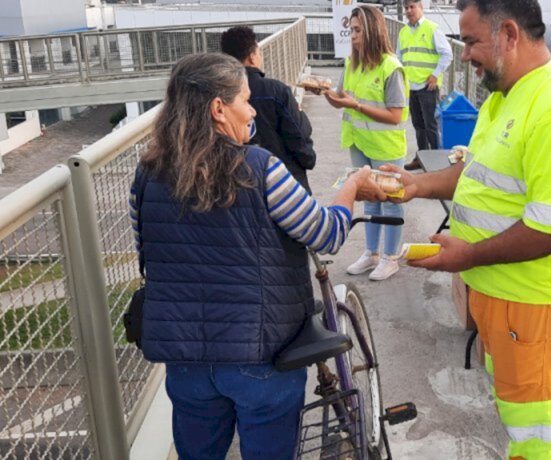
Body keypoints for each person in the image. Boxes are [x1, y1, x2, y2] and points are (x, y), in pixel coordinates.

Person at [380, 0, 551, 458]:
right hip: (507, 297)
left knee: (543, 438)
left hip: (540, 304)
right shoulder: (507, 94)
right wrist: (416, 185)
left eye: (470, 41)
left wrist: (466, 256)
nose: (464, 55)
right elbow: (474, 171)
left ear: (508, 34)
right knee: (519, 420)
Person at [129, 52, 383, 460]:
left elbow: (151, 252)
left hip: (184, 357)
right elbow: (326, 232)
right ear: (218, 108)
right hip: (260, 355)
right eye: (244, 101)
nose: (251, 111)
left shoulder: (147, 175)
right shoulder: (261, 168)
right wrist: (352, 187)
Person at [320, 5, 409, 281]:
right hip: (358, 142)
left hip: (386, 148)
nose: (353, 36)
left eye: (357, 30)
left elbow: (395, 115)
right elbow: (341, 99)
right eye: (351, 30)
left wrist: (356, 104)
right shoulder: (351, 63)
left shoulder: (391, 68)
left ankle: (390, 257)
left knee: (391, 202)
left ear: (371, 31)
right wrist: (324, 93)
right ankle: (371, 253)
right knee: (369, 200)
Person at [220, 25, 318, 191]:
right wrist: (308, 158)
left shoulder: (218, 94)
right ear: (252, 57)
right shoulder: (276, 91)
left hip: (238, 183)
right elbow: (298, 135)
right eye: (259, 52)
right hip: (284, 181)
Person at [398, 0, 454, 170]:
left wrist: (435, 75)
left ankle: (437, 162)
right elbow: (399, 58)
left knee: (431, 126)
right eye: (406, 8)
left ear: (420, 8)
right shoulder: (403, 32)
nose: (408, 10)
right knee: (418, 125)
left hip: (427, 87)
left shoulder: (431, 28)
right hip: (411, 87)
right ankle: (421, 157)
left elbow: (447, 54)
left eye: (412, 7)